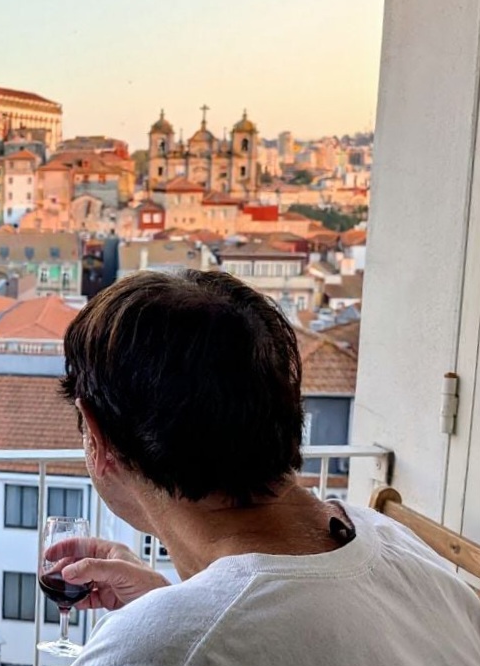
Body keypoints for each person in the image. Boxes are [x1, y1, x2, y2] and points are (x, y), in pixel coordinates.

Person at [56, 270, 480, 665]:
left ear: (96, 435)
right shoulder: (395, 545)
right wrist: (172, 607)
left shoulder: (151, 649)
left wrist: (166, 625)